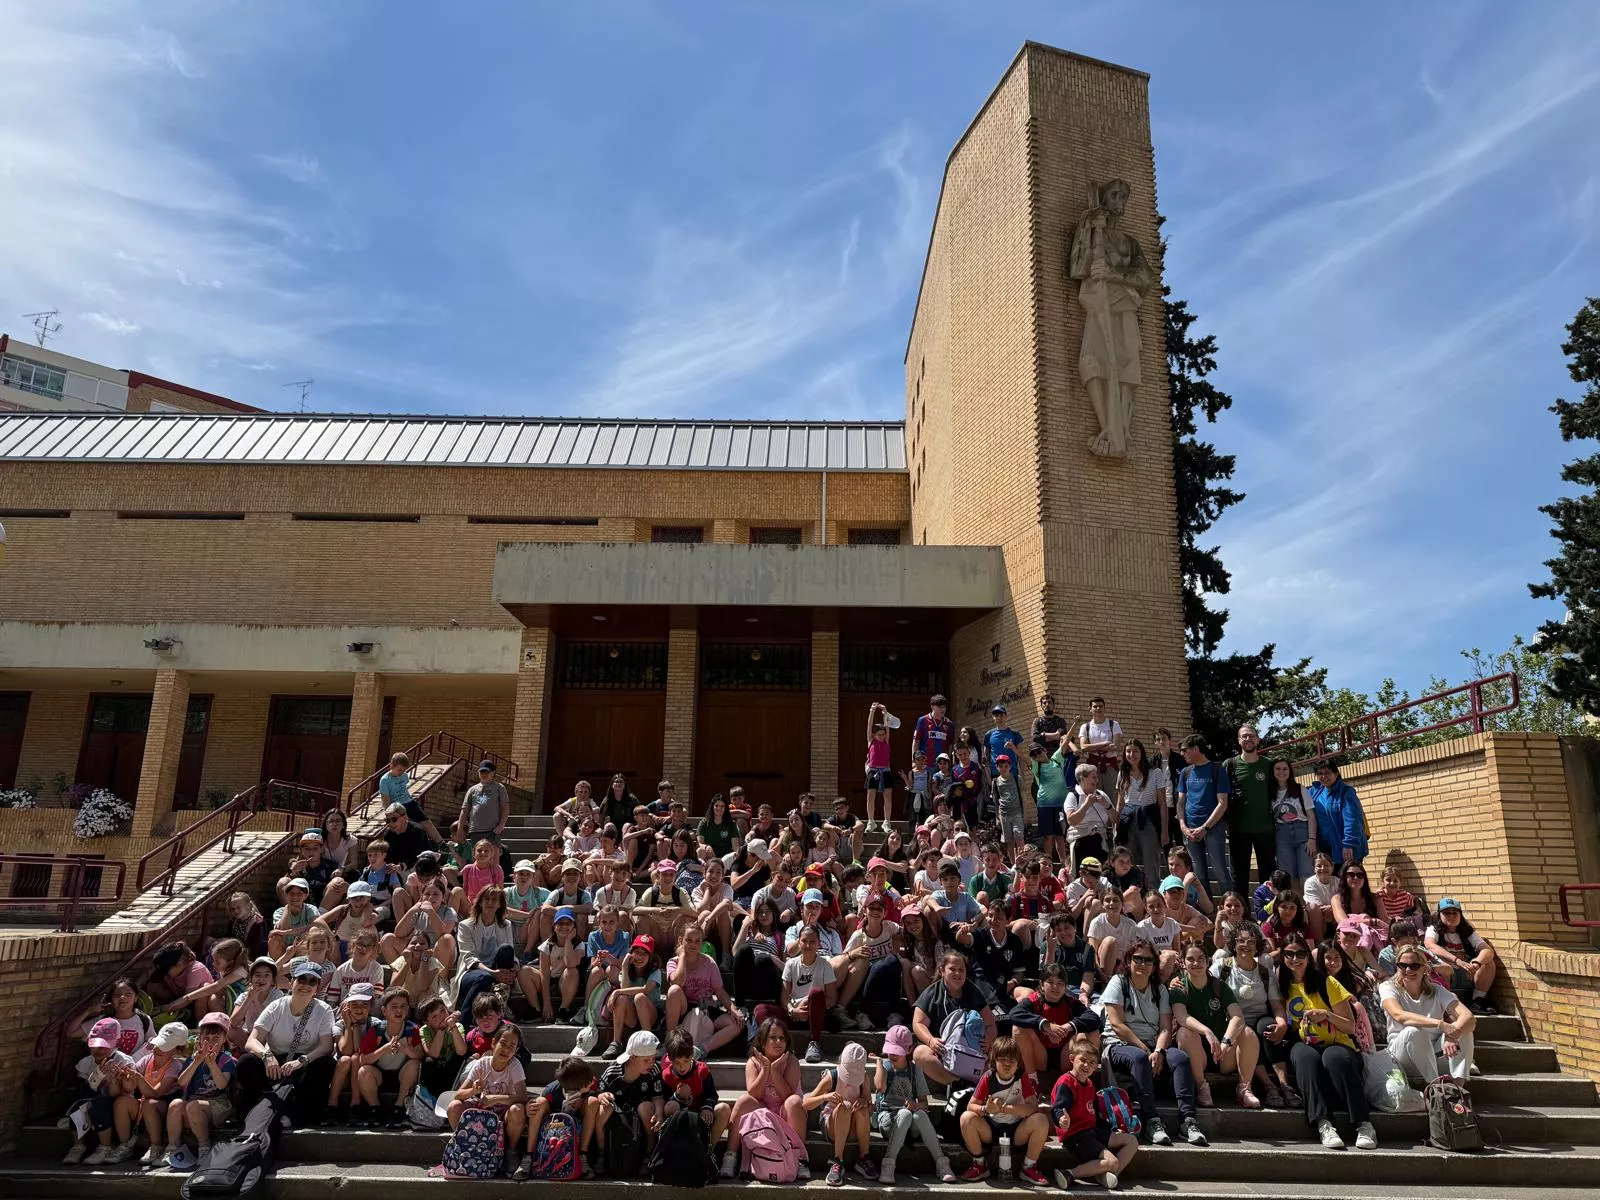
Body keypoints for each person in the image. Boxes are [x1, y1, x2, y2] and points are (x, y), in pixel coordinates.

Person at [1100, 937, 1204, 1147]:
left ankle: (1188, 1120)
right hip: (1119, 1044)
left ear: (1155, 965)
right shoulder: (1118, 982)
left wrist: (1159, 1051)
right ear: (1128, 960)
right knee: (1139, 1058)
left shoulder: (1161, 990)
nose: (1143, 964)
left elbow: (1166, 1027)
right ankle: (1151, 1120)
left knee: (1181, 1058)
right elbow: (1117, 1024)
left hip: (1154, 1045)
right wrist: (1147, 1050)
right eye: (1138, 959)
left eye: (1148, 960)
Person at [1276, 932, 1375, 1150]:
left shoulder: (1326, 982)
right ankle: (1323, 1123)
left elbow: (1349, 1026)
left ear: (1308, 956)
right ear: (1282, 957)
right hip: (1305, 1042)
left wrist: (1327, 1015)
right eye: (1289, 954)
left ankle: (1363, 1123)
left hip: (1339, 1042)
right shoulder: (1282, 984)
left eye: (1300, 953)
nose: (1295, 958)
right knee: (1303, 1057)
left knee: (1334, 1056)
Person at [240, 960, 336, 1128]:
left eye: (312, 981)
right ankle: (254, 1112)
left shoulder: (324, 1010)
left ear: (317, 987)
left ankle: (300, 1114)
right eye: (301, 979)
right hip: (275, 1062)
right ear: (292, 982)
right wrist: (266, 1055)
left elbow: (327, 1046)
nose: (305, 985)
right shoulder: (276, 1006)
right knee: (247, 1062)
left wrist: (302, 1061)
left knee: (326, 1064)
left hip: (305, 1062)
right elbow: (252, 1040)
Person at [1171, 941, 1262, 1108]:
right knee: (1184, 1032)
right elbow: (1182, 1017)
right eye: (1190, 959)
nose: (1196, 963)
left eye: (1200, 958)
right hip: (1197, 1053)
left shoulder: (1219, 986)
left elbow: (1237, 1017)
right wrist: (1207, 1031)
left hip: (1221, 1052)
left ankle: (1244, 1089)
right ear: (1183, 962)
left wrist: (1226, 1041)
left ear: (1208, 961)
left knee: (1247, 1032)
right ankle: (1201, 1087)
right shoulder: (1179, 987)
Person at [1214, 925, 1296, 1106]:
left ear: (1257, 945)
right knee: (1248, 1032)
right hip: (1233, 1024)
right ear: (1233, 945)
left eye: (1251, 941)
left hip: (1259, 1018)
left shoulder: (1264, 972)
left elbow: (1276, 1004)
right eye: (1241, 941)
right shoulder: (1222, 968)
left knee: (1269, 1027)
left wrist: (1282, 1023)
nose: (1246, 945)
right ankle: (1268, 1085)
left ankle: (1284, 1085)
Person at [722, 1018, 810, 1180]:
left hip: (786, 1118)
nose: (778, 1042)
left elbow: (787, 1095)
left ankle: (800, 1159)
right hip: (762, 1121)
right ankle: (730, 1156)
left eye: (782, 1038)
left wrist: (775, 1071)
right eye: (773, 1037)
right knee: (744, 1101)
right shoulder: (753, 1062)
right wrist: (766, 1069)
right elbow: (754, 1093)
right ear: (762, 1042)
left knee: (794, 1101)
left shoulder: (791, 1061)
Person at [958, 1035, 1051, 1185]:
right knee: (966, 1118)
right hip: (991, 1127)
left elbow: (1032, 1108)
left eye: (1012, 1060)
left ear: (1018, 1063)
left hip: (1016, 1129)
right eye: (1002, 1060)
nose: (1007, 1064)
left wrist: (1005, 1109)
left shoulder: (1022, 1078)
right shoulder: (988, 1078)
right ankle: (979, 1164)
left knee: (1041, 1120)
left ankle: (1028, 1167)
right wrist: (986, 1109)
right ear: (994, 1061)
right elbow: (971, 1106)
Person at [1049, 1034, 1138, 1191]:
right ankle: (1069, 1174)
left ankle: (1104, 1175)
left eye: (1091, 1063)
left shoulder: (1089, 1084)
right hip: (1077, 1135)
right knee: (1112, 1162)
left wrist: (1111, 1128)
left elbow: (1094, 1112)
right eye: (1082, 1060)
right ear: (1071, 1059)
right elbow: (1058, 1108)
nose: (1086, 1065)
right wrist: (1062, 1119)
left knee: (1131, 1141)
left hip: (1092, 1131)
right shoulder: (1066, 1083)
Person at [1381, 942, 1477, 1083]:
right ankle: (1436, 1088)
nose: (1408, 970)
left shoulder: (1437, 990)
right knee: (1413, 1031)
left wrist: (1452, 1035)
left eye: (1414, 966)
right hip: (1403, 1056)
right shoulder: (1388, 987)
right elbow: (1399, 1015)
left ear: (1424, 968)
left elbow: (1468, 1017)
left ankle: (1457, 1090)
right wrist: (1440, 1024)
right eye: (1402, 965)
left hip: (1434, 1055)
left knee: (1464, 1030)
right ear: (1397, 967)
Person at [873, 1023, 954, 1183]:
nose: (892, 1055)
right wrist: (879, 1064)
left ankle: (941, 1162)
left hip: (910, 1123)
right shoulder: (885, 1066)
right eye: (890, 1051)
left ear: (909, 1050)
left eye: (897, 1052)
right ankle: (888, 1164)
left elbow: (924, 1103)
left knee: (919, 1116)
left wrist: (915, 1106)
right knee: (903, 1114)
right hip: (889, 1120)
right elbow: (880, 1087)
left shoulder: (914, 1069)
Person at [1008, 964, 1103, 1087]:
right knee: (1018, 1029)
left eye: (1060, 983)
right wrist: (1044, 1024)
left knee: (1092, 1032)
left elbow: (1094, 1019)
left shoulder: (1070, 1002)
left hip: (1065, 1054)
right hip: (1040, 1055)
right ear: (1042, 984)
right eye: (1050, 982)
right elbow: (1014, 1014)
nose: (1055, 987)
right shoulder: (1033, 1001)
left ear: (1065, 986)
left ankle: (1082, 1082)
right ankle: (1032, 1081)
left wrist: (1068, 1027)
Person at [911, 951, 997, 1088]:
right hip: (944, 1055)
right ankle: (958, 1084)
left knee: (1000, 1054)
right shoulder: (932, 993)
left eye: (961, 970)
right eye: (952, 969)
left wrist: (988, 1038)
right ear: (942, 971)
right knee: (920, 1053)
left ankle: (976, 1084)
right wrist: (930, 1040)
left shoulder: (973, 991)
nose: (957, 974)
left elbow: (991, 1025)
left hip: (973, 1055)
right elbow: (918, 1023)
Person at [163, 1012, 236, 1170]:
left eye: (216, 1039)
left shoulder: (226, 1060)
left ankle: (204, 1146)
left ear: (224, 1039)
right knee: (176, 1104)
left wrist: (211, 1064)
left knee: (193, 1106)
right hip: (193, 1103)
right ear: (199, 1039)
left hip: (218, 1104)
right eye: (206, 1038)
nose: (210, 1043)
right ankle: (172, 1146)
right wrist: (196, 1062)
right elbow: (181, 1082)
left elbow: (222, 1084)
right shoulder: (193, 1059)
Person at [61, 1017, 139, 1165]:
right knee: (78, 1105)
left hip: (116, 1103)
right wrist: (95, 1077)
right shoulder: (85, 1063)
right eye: (95, 1045)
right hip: (93, 1098)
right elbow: (84, 1090)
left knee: (99, 1105)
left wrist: (114, 1080)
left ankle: (105, 1147)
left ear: (115, 1044)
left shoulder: (124, 1061)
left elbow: (124, 1092)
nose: (99, 1049)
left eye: (104, 1045)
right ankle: (78, 1146)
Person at [664, 921, 745, 1057]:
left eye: (697, 941)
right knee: (674, 990)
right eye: (689, 940)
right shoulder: (673, 962)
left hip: (706, 1007)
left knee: (737, 1024)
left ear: (702, 943)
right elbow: (678, 981)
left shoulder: (709, 962)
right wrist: (682, 956)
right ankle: (670, 1042)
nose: (693, 944)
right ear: (681, 941)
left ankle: (702, 1049)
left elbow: (719, 991)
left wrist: (734, 1010)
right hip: (684, 1007)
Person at [517, 1053, 601, 1181]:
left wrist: (602, 1095)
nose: (592, 1082)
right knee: (539, 1103)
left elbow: (599, 1092)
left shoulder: (591, 1084)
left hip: (580, 1124)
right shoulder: (552, 1091)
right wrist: (529, 1108)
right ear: (578, 1086)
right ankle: (529, 1156)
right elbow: (538, 1106)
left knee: (593, 1102)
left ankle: (582, 1155)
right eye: (588, 1082)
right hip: (555, 1127)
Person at [114, 1020, 188, 1166]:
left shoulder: (175, 1066)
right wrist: (125, 1077)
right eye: (158, 1044)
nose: (158, 1049)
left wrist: (139, 1078)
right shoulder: (147, 1059)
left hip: (164, 1108)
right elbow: (129, 1089)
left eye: (164, 1047)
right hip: (144, 1106)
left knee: (149, 1103)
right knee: (121, 1102)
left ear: (177, 1050)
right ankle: (124, 1146)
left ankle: (156, 1145)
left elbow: (155, 1093)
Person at [804, 1040, 875, 1185]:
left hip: (854, 1127)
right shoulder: (832, 1077)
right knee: (845, 1106)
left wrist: (865, 1102)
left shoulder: (864, 1079)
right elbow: (806, 1103)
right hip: (832, 1125)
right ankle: (837, 1160)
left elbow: (871, 1110)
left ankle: (863, 1157)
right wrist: (825, 1097)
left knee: (862, 1108)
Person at [448, 1022, 527, 1149]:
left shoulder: (514, 1065)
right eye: (503, 1043)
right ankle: (463, 1145)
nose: (506, 1049)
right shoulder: (482, 1063)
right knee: (454, 1107)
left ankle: (510, 1151)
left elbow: (523, 1097)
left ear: (516, 1051)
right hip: (483, 1110)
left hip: (504, 1112)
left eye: (511, 1046)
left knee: (517, 1110)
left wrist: (495, 1098)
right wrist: (473, 1090)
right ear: (494, 1043)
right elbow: (458, 1095)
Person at [660, 1026, 731, 1158]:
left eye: (686, 1061)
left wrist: (707, 1107)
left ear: (692, 1055)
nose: (682, 1067)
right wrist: (678, 1096)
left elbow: (711, 1094)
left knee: (724, 1109)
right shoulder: (667, 1076)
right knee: (672, 1106)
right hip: (680, 1119)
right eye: (677, 1063)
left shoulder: (701, 1071)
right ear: (669, 1059)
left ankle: (708, 1151)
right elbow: (665, 1102)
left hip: (701, 1116)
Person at [1222, 725, 1276, 896]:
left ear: (1258, 739)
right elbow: (1220, 796)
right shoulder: (1229, 765)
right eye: (1244, 736)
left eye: (1251, 736)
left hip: (1265, 829)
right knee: (1240, 877)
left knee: (1267, 876)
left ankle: (1266, 913)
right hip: (1238, 830)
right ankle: (1242, 916)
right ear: (1238, 740)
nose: (1248, 739)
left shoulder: (1269, 765)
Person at [1176, 735, 1232, 897]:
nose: (1182, 753)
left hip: (1213, 828)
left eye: (1184, 750)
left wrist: (1205, 827)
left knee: (1219, 869)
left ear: (1196, 749)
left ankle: (1230, 907)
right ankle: (1208, 910)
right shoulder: (1185, 772)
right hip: (1189, 829)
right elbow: (1181, 802)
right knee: (1198, 872)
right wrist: (1183, 826)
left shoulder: (1217, 769)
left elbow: (1223, 803)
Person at [1425, 898, 1499, 1013]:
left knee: (1488, 962)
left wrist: (1476, 963)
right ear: (1439, 915)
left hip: (1466, 973)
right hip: (1447, 975)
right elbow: (1430, 946)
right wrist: (1457, 961)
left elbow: (1487, 950)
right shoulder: (1433, 929)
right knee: (1444, 967)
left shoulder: (1467, 931)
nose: (1451, 916)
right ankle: (1445, 1004)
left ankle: (1478, 1000)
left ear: (1460, 914)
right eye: (1446, 913)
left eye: (1455, 912)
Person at [597, 934, 663, 1059]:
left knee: (639, 997)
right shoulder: (627, 969)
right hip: (632, 1016)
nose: (640, 957)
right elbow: (624, 991)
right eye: (637, 952)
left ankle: (649, 1041)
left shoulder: (655, 970)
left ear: (650, 956)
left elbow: (646, 989)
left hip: (651, 1015)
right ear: (631, 953)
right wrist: (624, 967)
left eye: (645, 953)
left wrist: (616, 992)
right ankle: (616, 1042)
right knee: (622, 998)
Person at [783, 923, 838, 1063]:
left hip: (816, 1014)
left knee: (816, 992)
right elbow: (784, 995)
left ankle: (814, 1043)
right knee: (760, 1010)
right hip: (795, 1013)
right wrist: (792, 1010)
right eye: (804, 941)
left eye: (812, 942)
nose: (808, 945)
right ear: (799, 942)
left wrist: (808, 1001)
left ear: (819, 944)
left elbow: (832, 999)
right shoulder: (791, 964)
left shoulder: (825, 965)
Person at [1115, 739, 1167, 887]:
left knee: (1151, 863)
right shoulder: (1122, 773)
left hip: (1148, 819)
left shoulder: (1155, 772)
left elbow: (1162, 803)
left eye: (1135, 751)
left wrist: (1164, 832)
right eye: (1128, 751)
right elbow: (1120, 803)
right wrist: (1115, 827)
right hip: (1127, 821)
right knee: (1127, 861)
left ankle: (1153, 898)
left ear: (1142, 753)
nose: (1132, 754)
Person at [1308, 761, 1368, 868]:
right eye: (1320, 773)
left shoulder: (1346, 792)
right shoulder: (1315, 792)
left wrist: (1348, 844)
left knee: (1350, 879)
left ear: (1336, 774)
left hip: (1346, 848)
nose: (1324, 776)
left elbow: (1353, 820)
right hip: (1327, 848)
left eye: (1327, 772)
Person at [1269, 760, 1318, 886]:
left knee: (1307, 873)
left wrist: (1312, 839)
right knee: (1287, 874)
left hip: (1302, 833)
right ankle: (1295, 904)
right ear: (1273, 771)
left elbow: (1311, 816)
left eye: (1285, 769)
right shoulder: (1270, 792)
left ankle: (1309, 904)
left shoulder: (1299, 789)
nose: (1281, 772)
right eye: (1278, 769)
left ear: (1290, 771)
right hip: (1282, 835)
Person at [1029, 740, 1073, 870]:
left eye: (1039, 751)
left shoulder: (1056, 760)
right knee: (1048, 836)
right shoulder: (1037, 766)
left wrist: (1075, 724)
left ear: (1044, 750)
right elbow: (1026, 760)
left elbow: (1065, 744)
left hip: (1060, 804)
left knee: (1060, 835)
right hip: (1045, 805)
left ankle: (1064, 864)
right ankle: (1047, 862)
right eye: (1034, 755)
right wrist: (1014, 748)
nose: (1038, 755)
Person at [458, 759, 511, 856]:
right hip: (475, 830)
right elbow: (464, 811)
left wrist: (501, 826)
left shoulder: (499, 787)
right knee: (478, 858)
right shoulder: (472, 790)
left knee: (493, 859)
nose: (484, 774)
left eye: (487, 772)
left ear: (493, 773)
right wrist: (460, 829)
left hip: (492, 831)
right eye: (482, 771)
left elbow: (505, 808)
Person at [863, 702, 895, 832]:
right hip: (873, 770)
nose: (882, 736)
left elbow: (887, 725)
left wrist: (885, 711)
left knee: (887, 797)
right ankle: (871, 821)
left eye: (883, 734)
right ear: (874, 735)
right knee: (871, 796)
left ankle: (886, 821)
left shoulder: (886, 741)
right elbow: (869, 725)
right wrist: (872, 711)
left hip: (886, 770)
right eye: (879, 734)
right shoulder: (871, 742)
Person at [1078, 697, 1123, 782]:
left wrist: (1091, 748)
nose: (1098, 708)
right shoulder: (1085, 727)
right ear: (1090, 709)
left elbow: (1115, 746)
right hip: (1091, 768)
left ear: (1104, 708)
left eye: (1100, 706)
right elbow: (1083, 747)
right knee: (1093, 794)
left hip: (1110, 766)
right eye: (1095, 706)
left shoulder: (1114, 724)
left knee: (1111, 795)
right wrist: (1105, 744)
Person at [990, 755, 1026, 859]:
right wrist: (997, 817)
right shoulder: (995, 782)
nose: (1003, 768)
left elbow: (1024, 797)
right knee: (1009, 841)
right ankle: (1014, 866)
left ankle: (1023, 862)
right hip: (1004, 815)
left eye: (1006, 766)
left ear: (1010, 766)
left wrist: (1026, 814)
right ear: (997, 768)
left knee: (1019, 838)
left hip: (1017, 813)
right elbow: (996, 801)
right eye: (1001, 766)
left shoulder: (1016, 778)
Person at [913, 694, 954, 767]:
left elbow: (950, 744)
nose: (942, 709)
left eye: (944, 707)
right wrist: (914, 761)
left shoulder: (949, 724)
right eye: (939, 707)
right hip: (925, 764)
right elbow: (916, 741)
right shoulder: (922, 720)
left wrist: (949, 761)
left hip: (942, 766)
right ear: (932, 706)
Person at [697, 793, 741, 859]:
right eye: (716, 805)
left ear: (725, 808)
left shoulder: (731, 824)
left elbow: (735, 847)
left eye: (722, 806)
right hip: (709, 856)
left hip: (726, 857)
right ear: (712, 807)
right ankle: (703, 869)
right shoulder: (704, 822)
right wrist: (706, 847)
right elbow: (699, 843)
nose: (719, 808)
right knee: (700, 850)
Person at [984, 704, 1024, 776]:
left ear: (1006, 716)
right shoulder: (989, 734)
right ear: (993, 717)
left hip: (1012, 773)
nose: (999, 718)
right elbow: (985, 757)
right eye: (996, 716)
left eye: (1001, 715)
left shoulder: (1014, 733)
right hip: (995, 774)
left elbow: (1020, 756)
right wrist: (988, 776)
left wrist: (1022, 775)